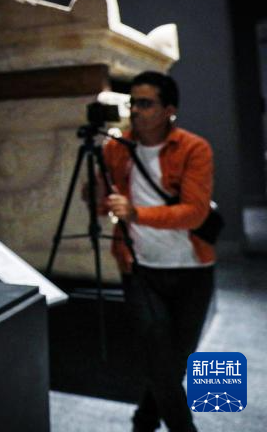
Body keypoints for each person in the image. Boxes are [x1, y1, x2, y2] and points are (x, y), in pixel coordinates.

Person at [102, 71, 214, 432]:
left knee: (175, 361)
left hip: (192, 268)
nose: (136, 110)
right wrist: (99, 193)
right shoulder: (115, 148)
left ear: (169, 110)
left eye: (146, 103)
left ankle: (145, 418)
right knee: (159, 357)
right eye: (132, 103)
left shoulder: (194, 148)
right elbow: (102, 205)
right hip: (139, 267)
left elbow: (195, 213)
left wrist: (137, 214)